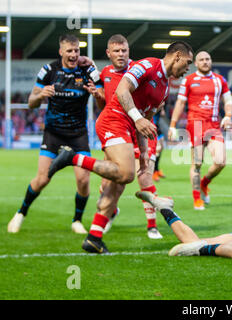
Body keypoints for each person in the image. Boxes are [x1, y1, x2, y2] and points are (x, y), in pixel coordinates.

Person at [47, 41, 193, 253]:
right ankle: (71, 158)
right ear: (177, 56)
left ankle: (94, 238)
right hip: (113, 120)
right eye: (188, 62)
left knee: (117, 186)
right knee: (125, 174)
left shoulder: (164, 87)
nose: (188, 68)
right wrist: (137, 118)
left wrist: (144, 152)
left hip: (128, 128)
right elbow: (123, 89)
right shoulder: (148, 65)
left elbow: (147, 120)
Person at [7, 34, 102, 234]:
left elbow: (103, 100)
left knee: (84, 180)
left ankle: (77, 220)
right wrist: (40, 95)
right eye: (69, 50)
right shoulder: (49, 71)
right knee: (42, 179)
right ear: (61, 52)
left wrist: (97, 94)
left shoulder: (88, 70)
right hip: (53, 133)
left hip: (78, 134)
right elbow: (31, 102)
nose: (74, 54)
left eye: (76, 50)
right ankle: (20, 213)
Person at [85, 34, 163, 239]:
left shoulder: (138, 70)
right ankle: (109, 213)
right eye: (117, 51)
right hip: (118, 129)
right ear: (108, 53)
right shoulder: (106, 73)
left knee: (144, 177)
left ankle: (152, 226)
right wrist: (98, 97)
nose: (121, 54)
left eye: (124, 50)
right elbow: (106, 106)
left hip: (140, 131)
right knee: (107, 184)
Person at [169, 51, 232, 210]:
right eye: (201, 60)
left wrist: (228, 115)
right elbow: (180, 103)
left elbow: (228, 99)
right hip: (195, 125)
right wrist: (172, 125)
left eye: (207, 59)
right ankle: (197, 198)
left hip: (213, 126)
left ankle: (204, 183)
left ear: (211, 61)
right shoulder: (189, 80)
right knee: (197, 163)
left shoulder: (220, 80)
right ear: (195, 64)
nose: (205, 62)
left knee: (220, 161)